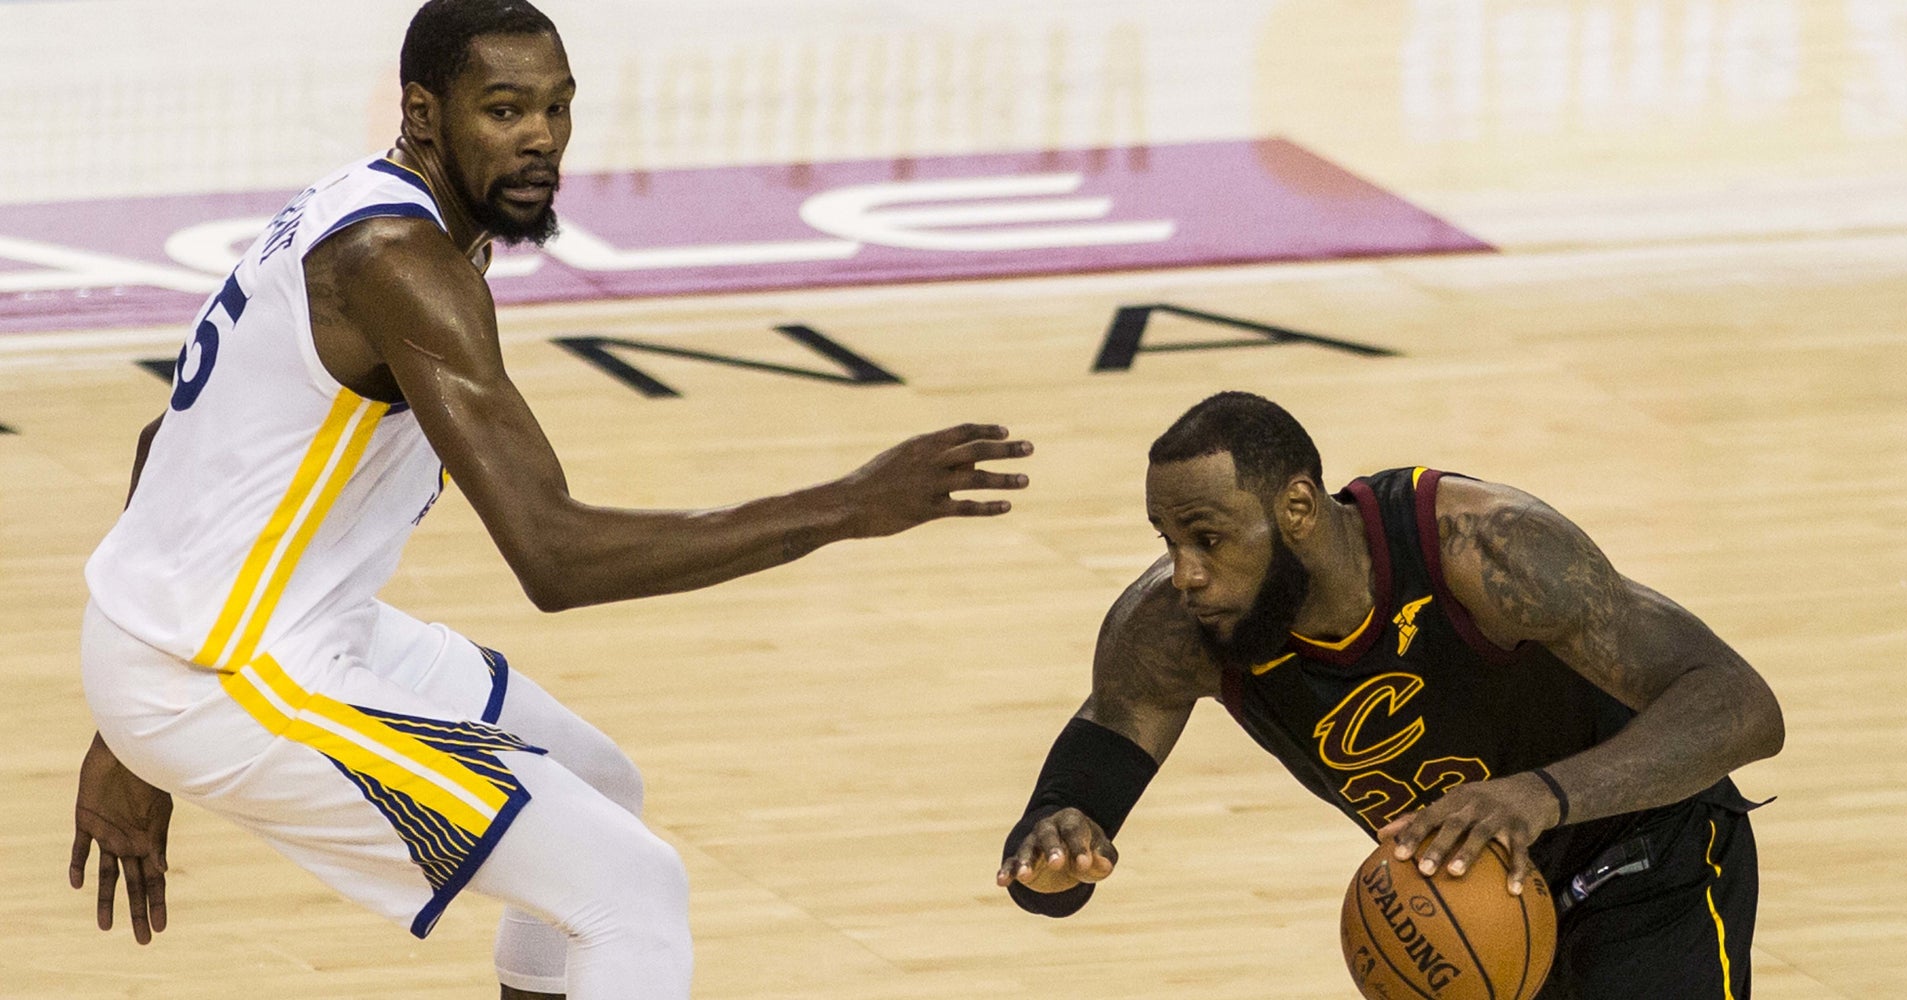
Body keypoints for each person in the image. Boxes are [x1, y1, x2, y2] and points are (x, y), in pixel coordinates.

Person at [65, 2, 1032, 998]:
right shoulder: (402, 263)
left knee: (601, 789)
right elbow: (553, 558)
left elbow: (165, 444)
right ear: (424, 113)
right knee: (632, 888)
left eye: (557, 108)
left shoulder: (373, 209)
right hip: (220, 667)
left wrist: (122, 718)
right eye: (503, 109)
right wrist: (847, 505)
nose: (540, 137)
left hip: (241, 631)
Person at [995, 391, 1783, 998]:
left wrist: (1540, 796)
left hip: (1647, 855)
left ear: (1297, 509)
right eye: (1167, 540)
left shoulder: (1483, 549)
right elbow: (1078, 807)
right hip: (1472, 907)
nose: (1186, 572)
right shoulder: (1173, 631)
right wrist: (1054, 843)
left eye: (1209, 538)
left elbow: (1740, 705)